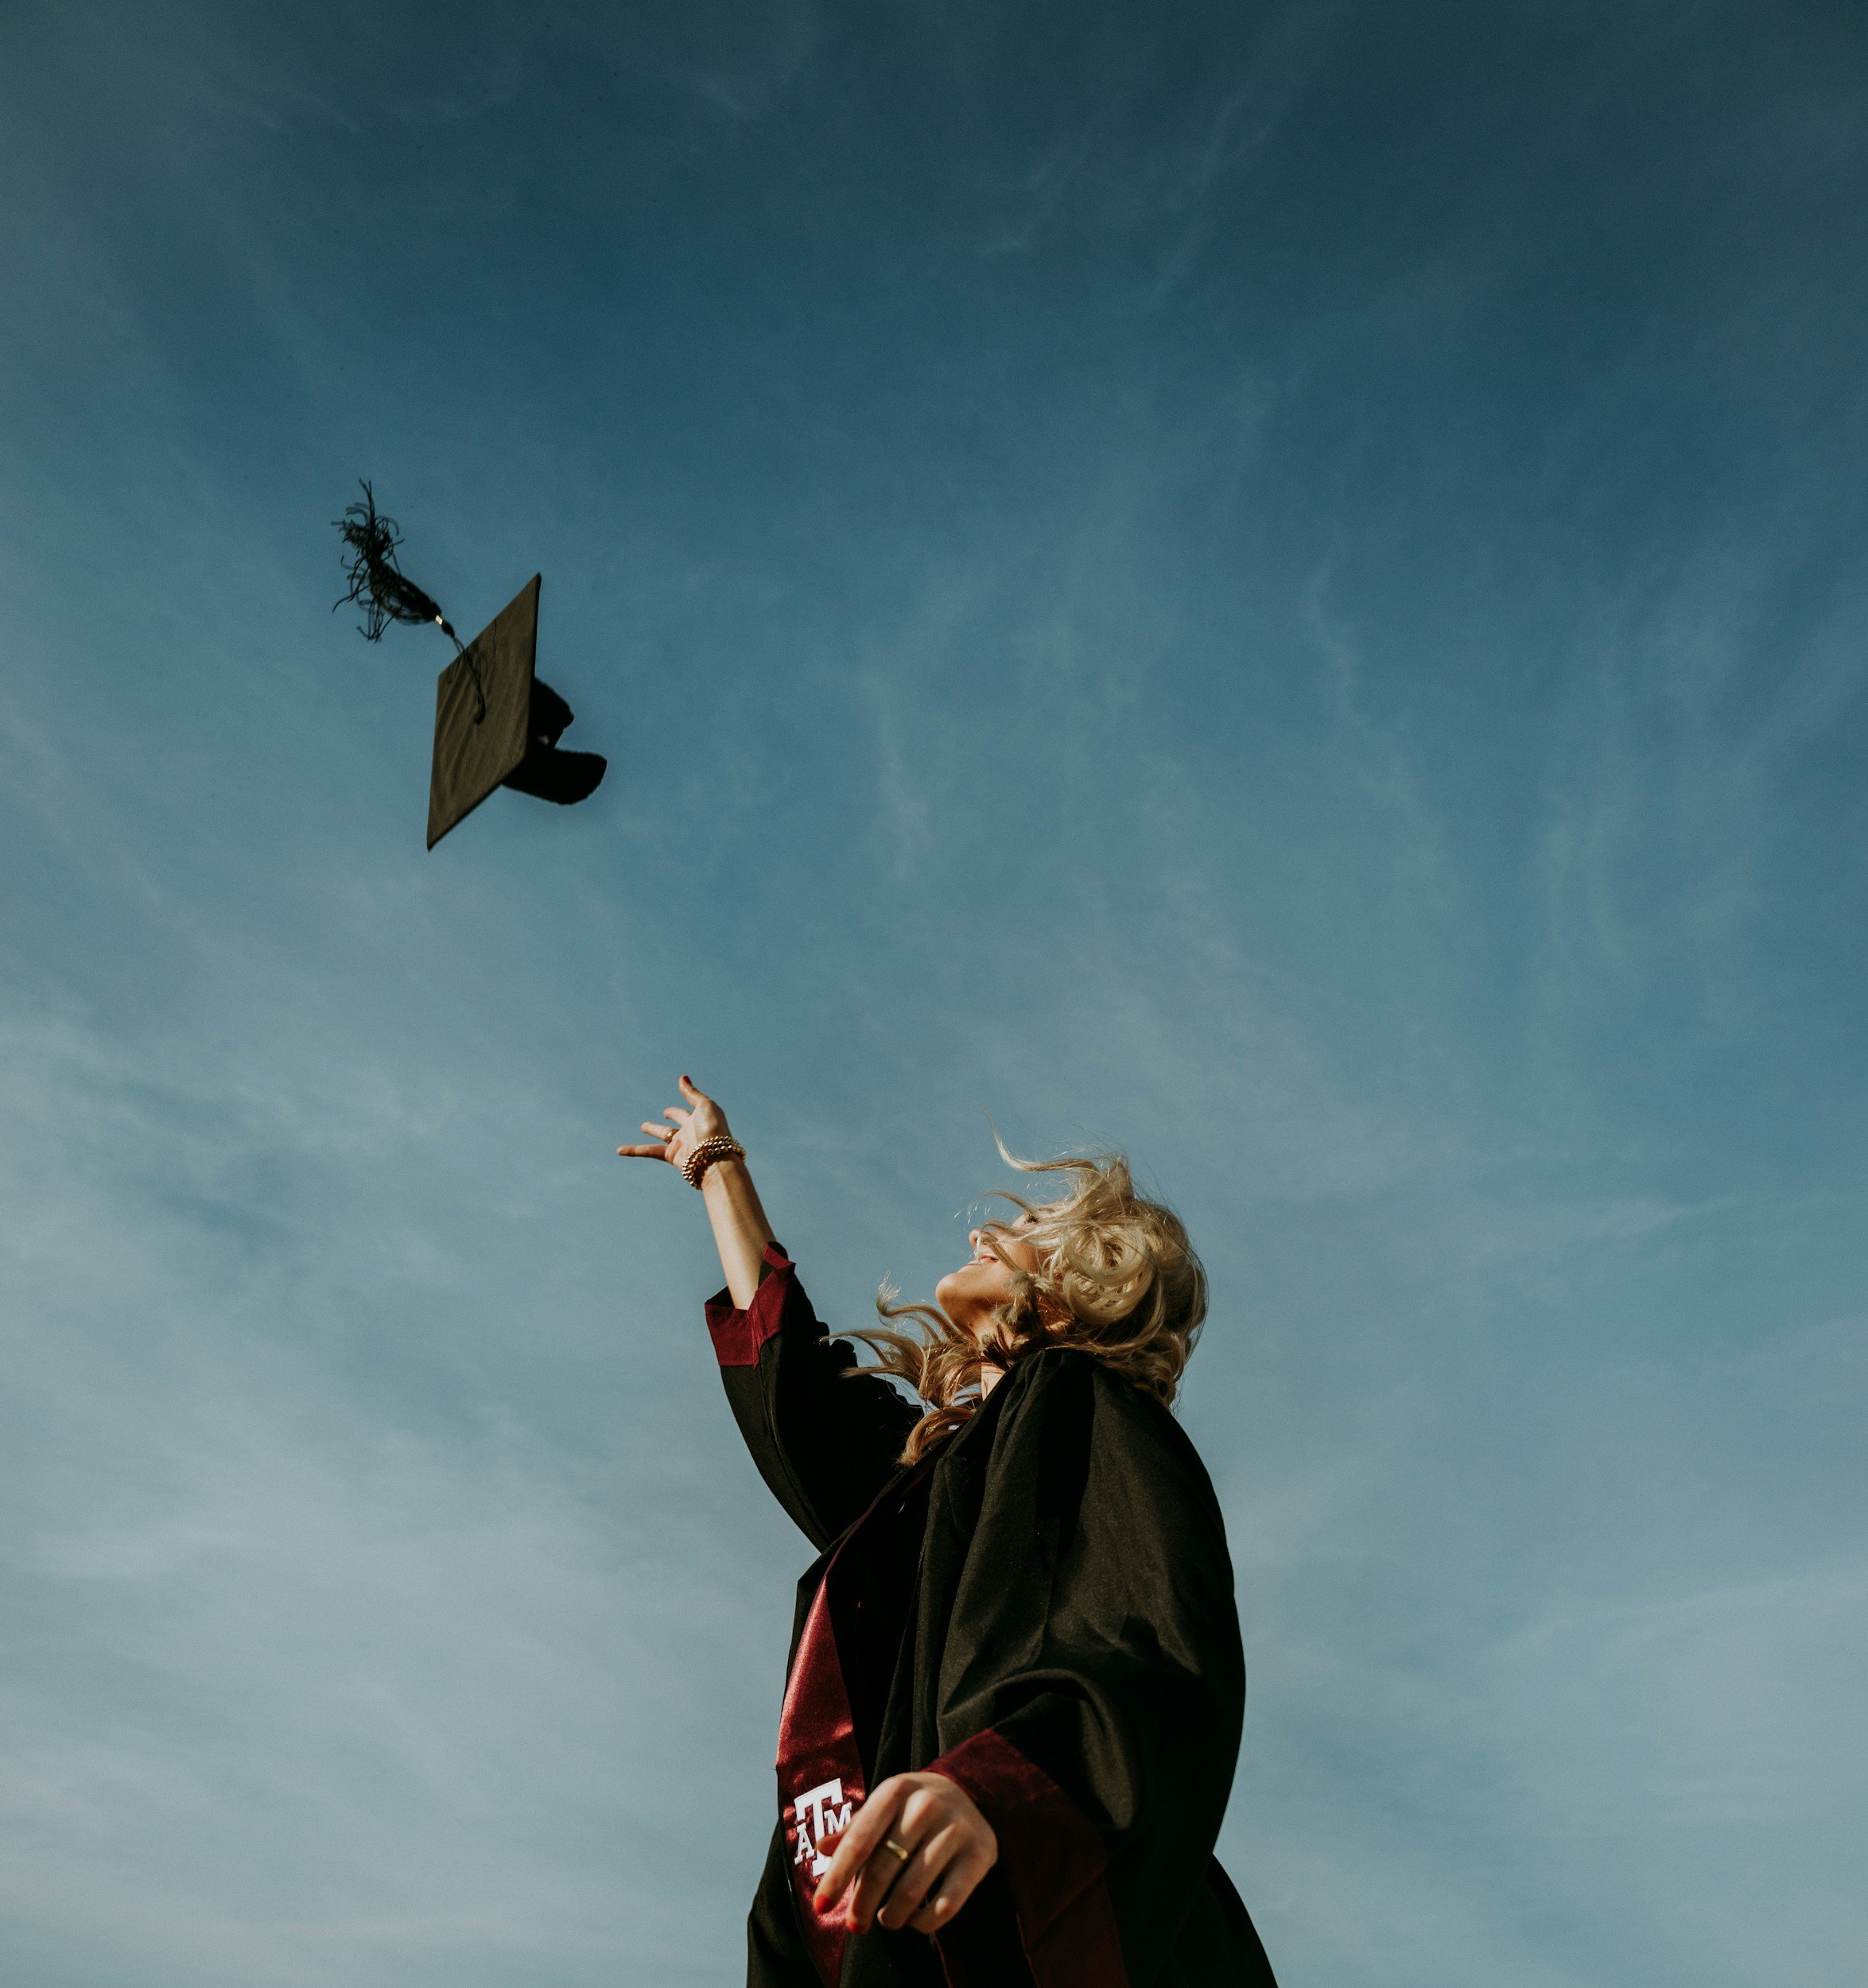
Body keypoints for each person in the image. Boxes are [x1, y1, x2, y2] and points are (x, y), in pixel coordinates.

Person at [620, 1077, 1278, 1988]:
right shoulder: (934, 1477)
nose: (981, 1231)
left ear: (1070, 1289)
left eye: (1021, 1232)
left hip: (1020, 1905)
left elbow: (1149, 1650)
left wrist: (1001, 1788)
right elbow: (802, 1405)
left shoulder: (1089, 1410)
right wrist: (715, 1166)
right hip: (898, 1908)